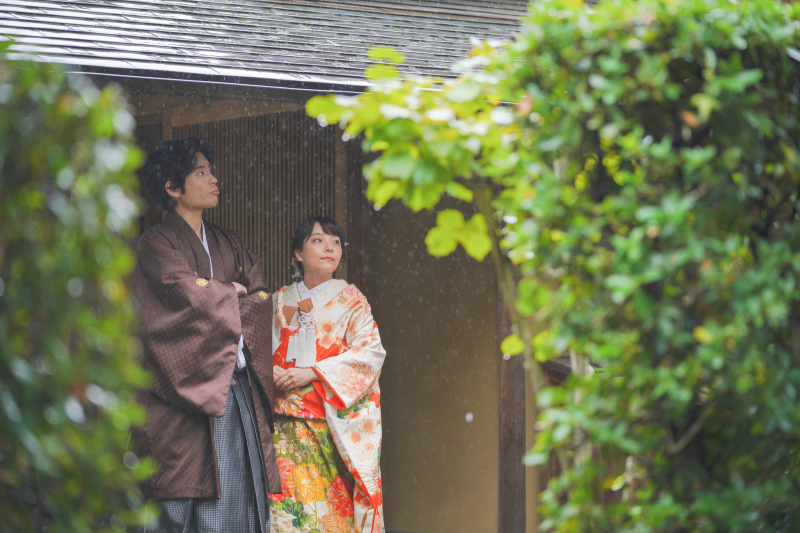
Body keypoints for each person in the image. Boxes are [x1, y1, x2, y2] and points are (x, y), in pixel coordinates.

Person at [132, 138, 281, 533]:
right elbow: (180, 298)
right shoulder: (156, 243)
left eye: (211, 171)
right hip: (180, 397)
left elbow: (262, 297)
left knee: (237, 499)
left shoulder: (228, 241)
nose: (214, 179)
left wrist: (217, 296)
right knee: (181, 493)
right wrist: (229, 292)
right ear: (172, 188)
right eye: (201, 173)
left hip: (234, 388)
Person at [268, 216, 386, 533]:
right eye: (318, 240)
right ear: (298, 253)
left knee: (327, 511)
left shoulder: (353, 301)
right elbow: (261, 345)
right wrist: (270, 368)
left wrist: (314, 372)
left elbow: (370, 353)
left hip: (327, 423)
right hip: (281, 421)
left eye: (335, 242)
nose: (329, 248)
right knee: (285, 513)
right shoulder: (280, 299)